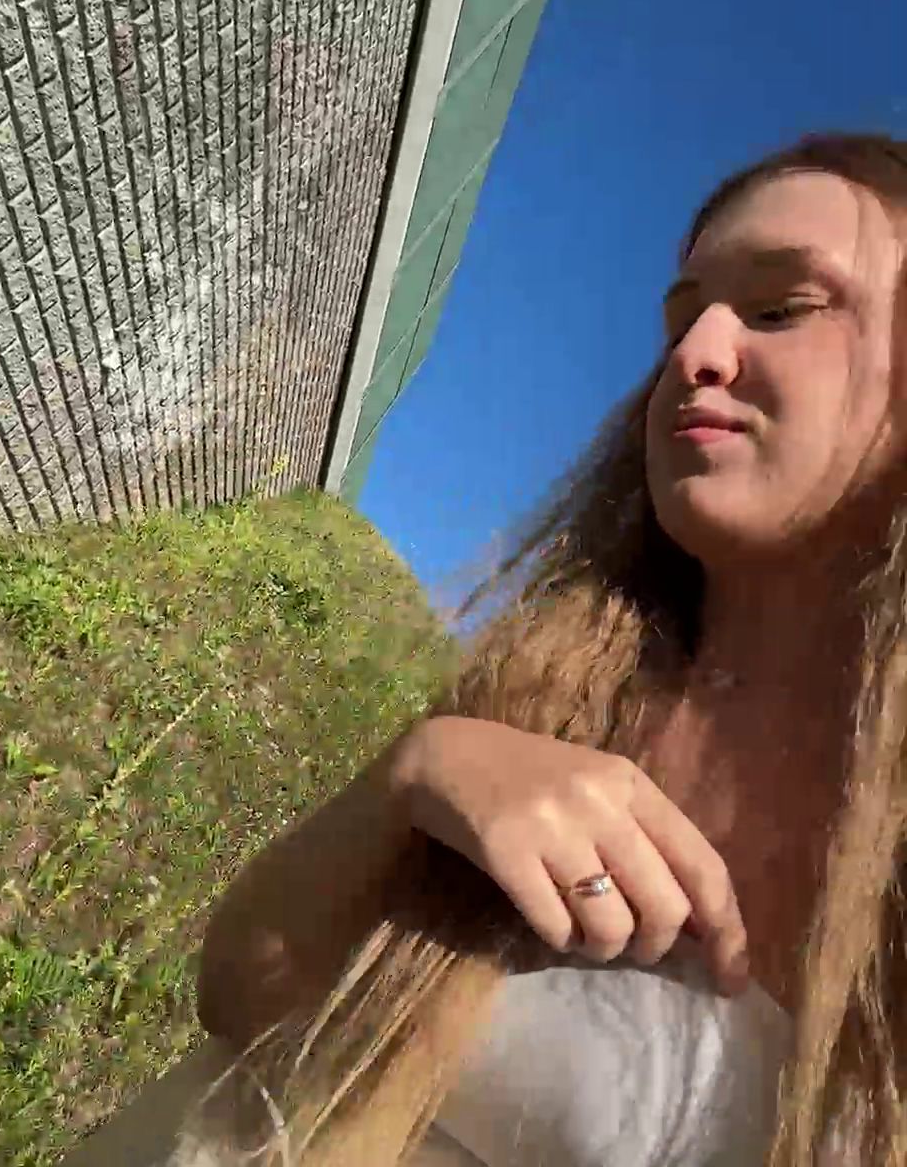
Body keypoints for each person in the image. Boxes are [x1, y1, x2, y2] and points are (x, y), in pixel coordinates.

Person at [194, 133, 907, 1166]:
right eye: (682, 321)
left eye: (781, 307)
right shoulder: (554, 688)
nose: (695, 354)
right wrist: (416, 774)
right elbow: (238, 996)